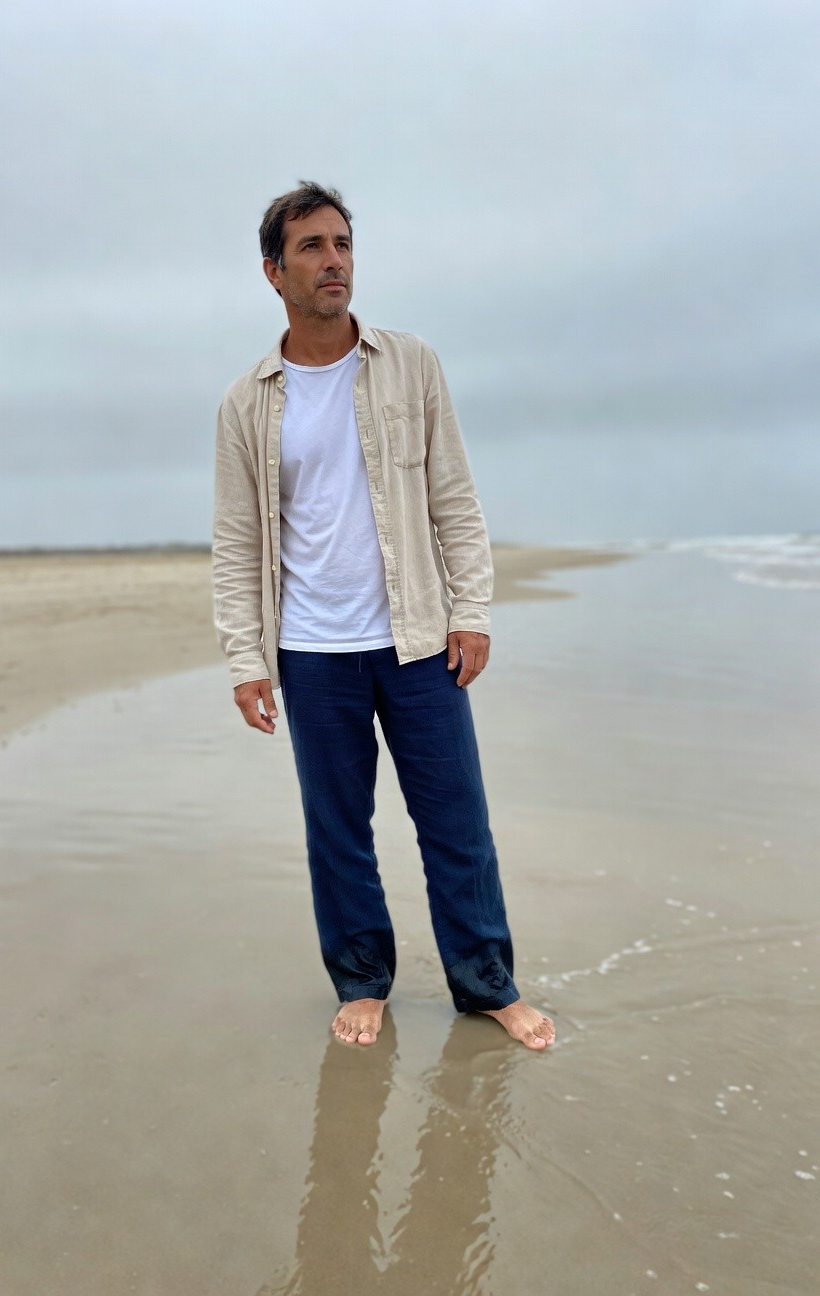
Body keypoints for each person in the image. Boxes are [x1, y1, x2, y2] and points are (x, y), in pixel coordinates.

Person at [213, 181, 555, 1051]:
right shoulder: (246, 402)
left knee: (456, 825)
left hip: (416, 640)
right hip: (313, 650)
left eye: (343, 244)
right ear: (273, 271)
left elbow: (455, 499)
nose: (334, 262)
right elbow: (236, 542)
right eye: (313, 248)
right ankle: (362, 981)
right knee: (339, 834)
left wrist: (471, 611)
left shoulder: (409, 363)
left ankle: (487, 988)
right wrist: (246, 660)